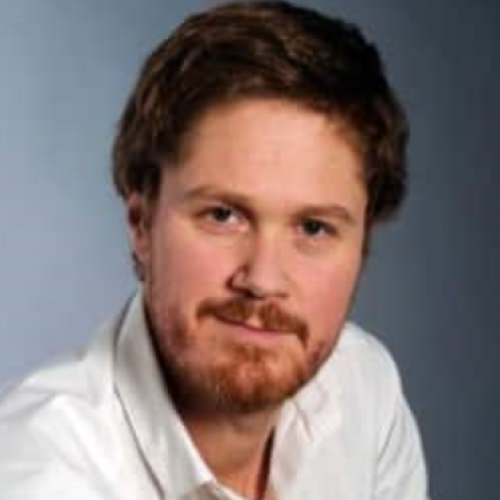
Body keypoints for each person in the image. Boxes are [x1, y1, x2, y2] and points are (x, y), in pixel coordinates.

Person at [0, 1, 430, 499]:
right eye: (223, 215)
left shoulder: (364, 388)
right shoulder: (36, 475)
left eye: (313, 228)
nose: (263, 280)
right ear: (141, 224)